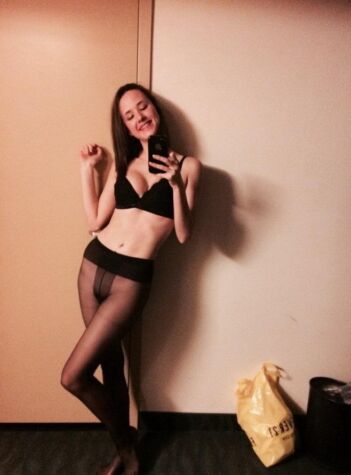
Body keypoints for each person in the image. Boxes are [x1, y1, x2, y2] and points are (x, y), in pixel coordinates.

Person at [61, 83, 201, 475]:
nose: (139, 117)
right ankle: (128, 454)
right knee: (111, 367)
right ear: (124, 125)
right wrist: (87, 170)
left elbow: (184, 234)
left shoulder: (189, 166)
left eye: (143, 107)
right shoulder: (123, 165)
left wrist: (175, 184)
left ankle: (126, 444)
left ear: (155, 109)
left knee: (73, 377)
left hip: (131, 281)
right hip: (92, 267)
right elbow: (95, 221)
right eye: (129, 115)